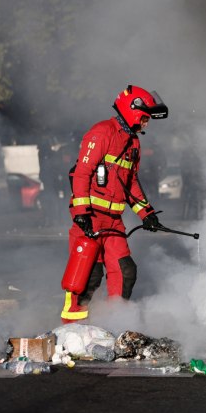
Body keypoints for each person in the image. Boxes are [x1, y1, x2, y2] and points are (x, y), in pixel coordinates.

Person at [60, 85, 168, 323]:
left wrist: (146, 213)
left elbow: (131, 184)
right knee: (89, 276)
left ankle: (114, 324)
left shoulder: (133, 143)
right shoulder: (101, 133)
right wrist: (81, 213)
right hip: (90, 218)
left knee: (125, 271)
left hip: (113, 222)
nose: (146, 124)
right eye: (145, 117)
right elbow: (81, 173)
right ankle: (71, 328)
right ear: (133, 110)